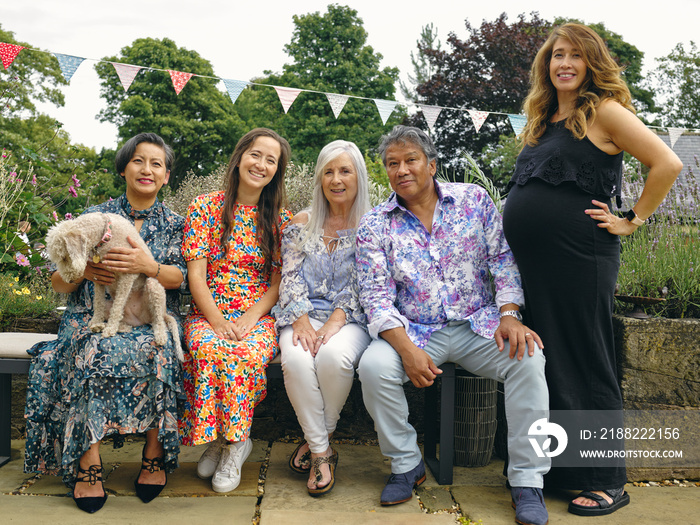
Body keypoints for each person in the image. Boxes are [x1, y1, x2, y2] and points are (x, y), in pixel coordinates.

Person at [502, 23, 682, 517]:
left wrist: (633, 220)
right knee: (549, 360)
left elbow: (666, 163)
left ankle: (606, 479)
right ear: (546, 64)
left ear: (591, 64)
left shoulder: (604, 111)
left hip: (579, 258)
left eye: (575, 56)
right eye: (558, 55)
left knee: (585, 357)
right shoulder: (544, 119)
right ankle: (561, 469)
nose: (565, 63)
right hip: (535, 266)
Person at [356, 125, 551, 525]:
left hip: (479, 325)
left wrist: (510, 314)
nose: (402, 170)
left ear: (431, 164)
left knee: (528, 360)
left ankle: (527, 480)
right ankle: (407, 464)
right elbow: (374, 296)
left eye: (410, 160)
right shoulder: (375, 224)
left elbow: (502, 260)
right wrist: (407, 351)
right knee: (373, 368)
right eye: (393, 164)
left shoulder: (473, 200)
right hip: (413, 330)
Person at [24, 132, 187, 513]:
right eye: (138, 161)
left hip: (147, 315)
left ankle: (154, 453)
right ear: (124, 168)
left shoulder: (177, 224)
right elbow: (57, 281)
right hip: (90, 315)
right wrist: (86, 270)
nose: (147, 169)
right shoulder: (93, 217)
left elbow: (182, 279)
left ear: (166, 176)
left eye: (156, 164)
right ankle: (88, 463)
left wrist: (150, 267)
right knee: (91, 348)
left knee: (157, 349)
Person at [179, 128, 292, 493]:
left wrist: (248, 319)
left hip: (256, 315)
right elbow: (196, 276)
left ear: (277, 170)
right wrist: (218, 320)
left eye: (270, 160)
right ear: (241, 156)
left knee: (242, 354)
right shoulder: (205, 207)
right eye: (255, 155)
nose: (261, 165)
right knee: (209, 348)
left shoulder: (279, 219)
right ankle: (228, 440)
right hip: (208, 312)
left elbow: (277, 282)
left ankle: (234, 444)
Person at [272, 140, 372, 496]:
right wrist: (299, 319)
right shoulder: (303, 222)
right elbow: (290, 275)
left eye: (344, 170)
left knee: (334, 356)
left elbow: (366, 282)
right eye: (328, 171)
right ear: (319, 178)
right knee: (296, 360)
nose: (336, 179)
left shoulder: (371, 226)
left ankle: (319, 440)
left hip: (351, 317)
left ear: (358, 176)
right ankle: (321, 452)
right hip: (301, 313)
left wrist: (335, 321)